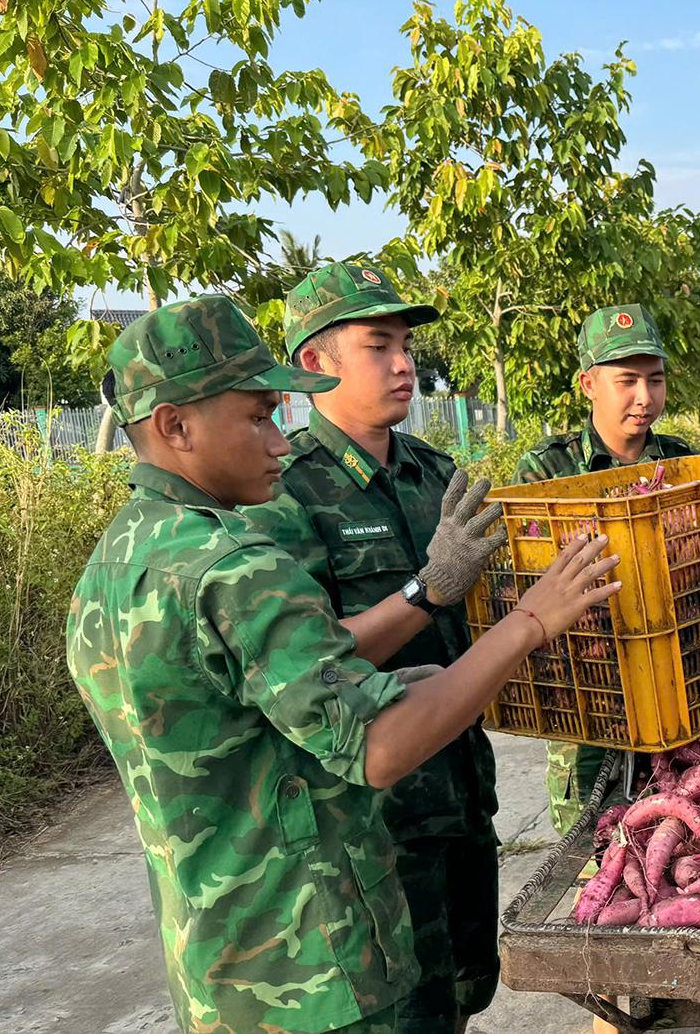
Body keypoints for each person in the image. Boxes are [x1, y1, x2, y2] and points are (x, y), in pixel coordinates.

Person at [68, 295, 620, 1034]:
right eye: (258, 417)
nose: (277, 440)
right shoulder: (232, 564)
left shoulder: (121, 557)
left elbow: (255, 710)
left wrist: (399, 679)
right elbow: (378, 746)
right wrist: (531, 621)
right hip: (314, 959)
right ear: (175, 426)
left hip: (227, 960)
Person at [243, 262, 504, 1034]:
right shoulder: (283, 491)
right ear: (314, 363)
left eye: (406, 346)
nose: (403, 364)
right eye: (378, 345)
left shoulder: (435, 474)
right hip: (371, 826)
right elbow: (305, 661)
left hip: (460, 790)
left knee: (465, 992)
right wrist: (429, 588)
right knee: (404, 1013)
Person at [512, 303, 694, 835]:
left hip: (674, 678)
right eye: (627, 381)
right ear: (589, 384)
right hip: (588, 690)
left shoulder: (680, 460)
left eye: (655, 380)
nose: (645, 397)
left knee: (676, 830)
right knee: (589, 841)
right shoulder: (548, 468)